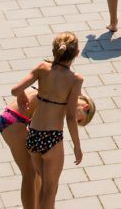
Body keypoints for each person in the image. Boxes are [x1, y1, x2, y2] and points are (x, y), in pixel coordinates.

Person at [9, 32, 91, 209]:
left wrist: (22, 94)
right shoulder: (75, 79)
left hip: (33, 134)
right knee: (50, 191)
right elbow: (70, 117)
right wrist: (77, 146)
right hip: (52, 137)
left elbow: (15, 90)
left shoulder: (42, 68)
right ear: (76, 54)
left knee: (42, 186)